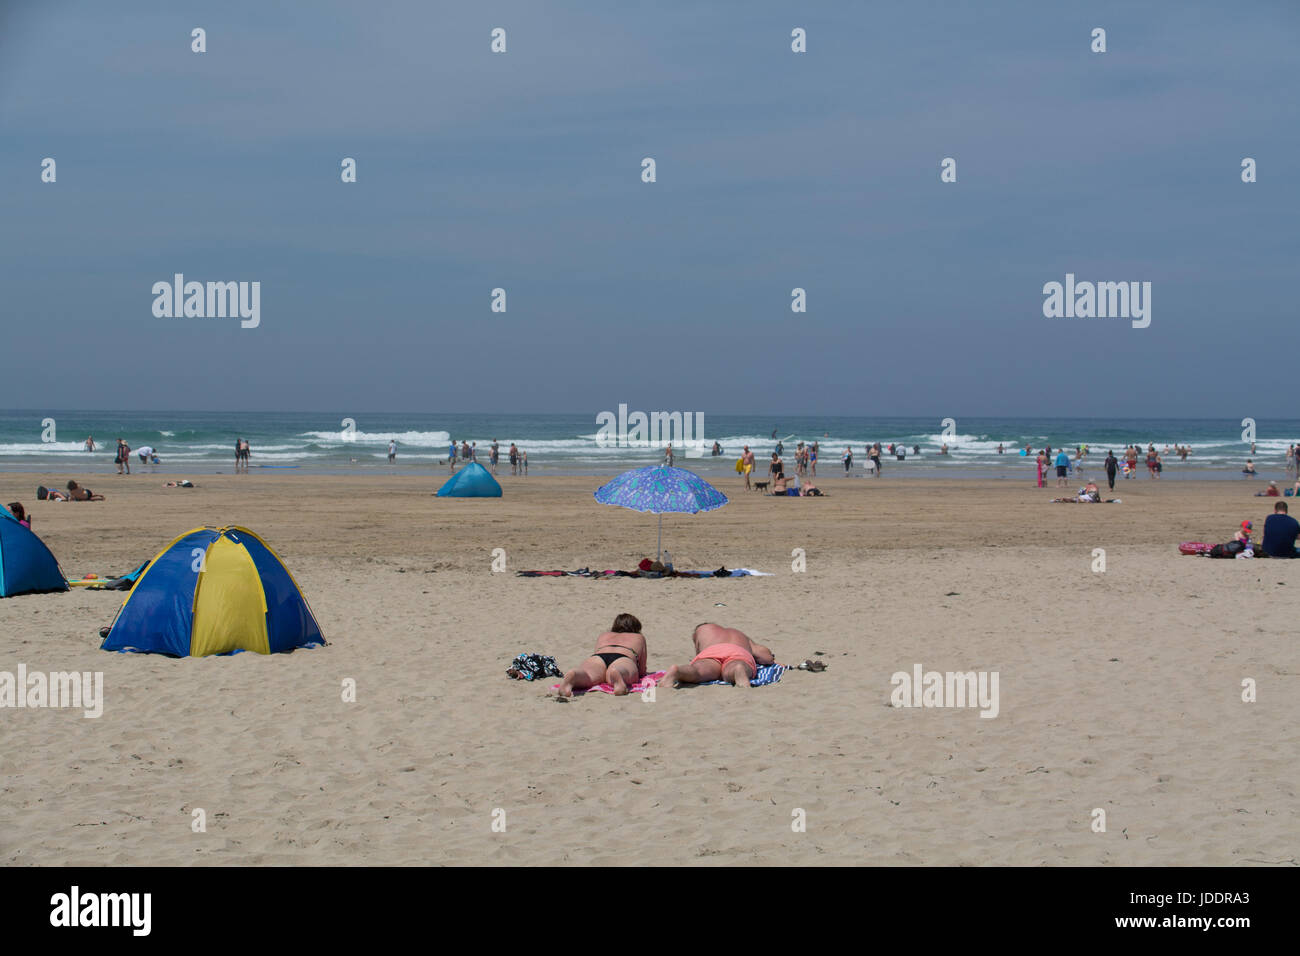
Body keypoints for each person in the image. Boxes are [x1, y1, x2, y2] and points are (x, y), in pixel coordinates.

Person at [556, 613, 648, 697]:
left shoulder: (604, 635)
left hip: (599, 657)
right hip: (623, 657)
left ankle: (575, 675)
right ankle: (618, 673)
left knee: (588, 675)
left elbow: (596, 652)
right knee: (623, 670)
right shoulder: (639, 637)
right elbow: (642, 670)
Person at [659, 623, 775, 689]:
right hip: (737, 651)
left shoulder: (702, 630)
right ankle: (738, 669)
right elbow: (765, 657)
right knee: (735, 665)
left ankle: (677, 671)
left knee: (697, 670)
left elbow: (699, 653)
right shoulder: (740, 635)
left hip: (711, 652)